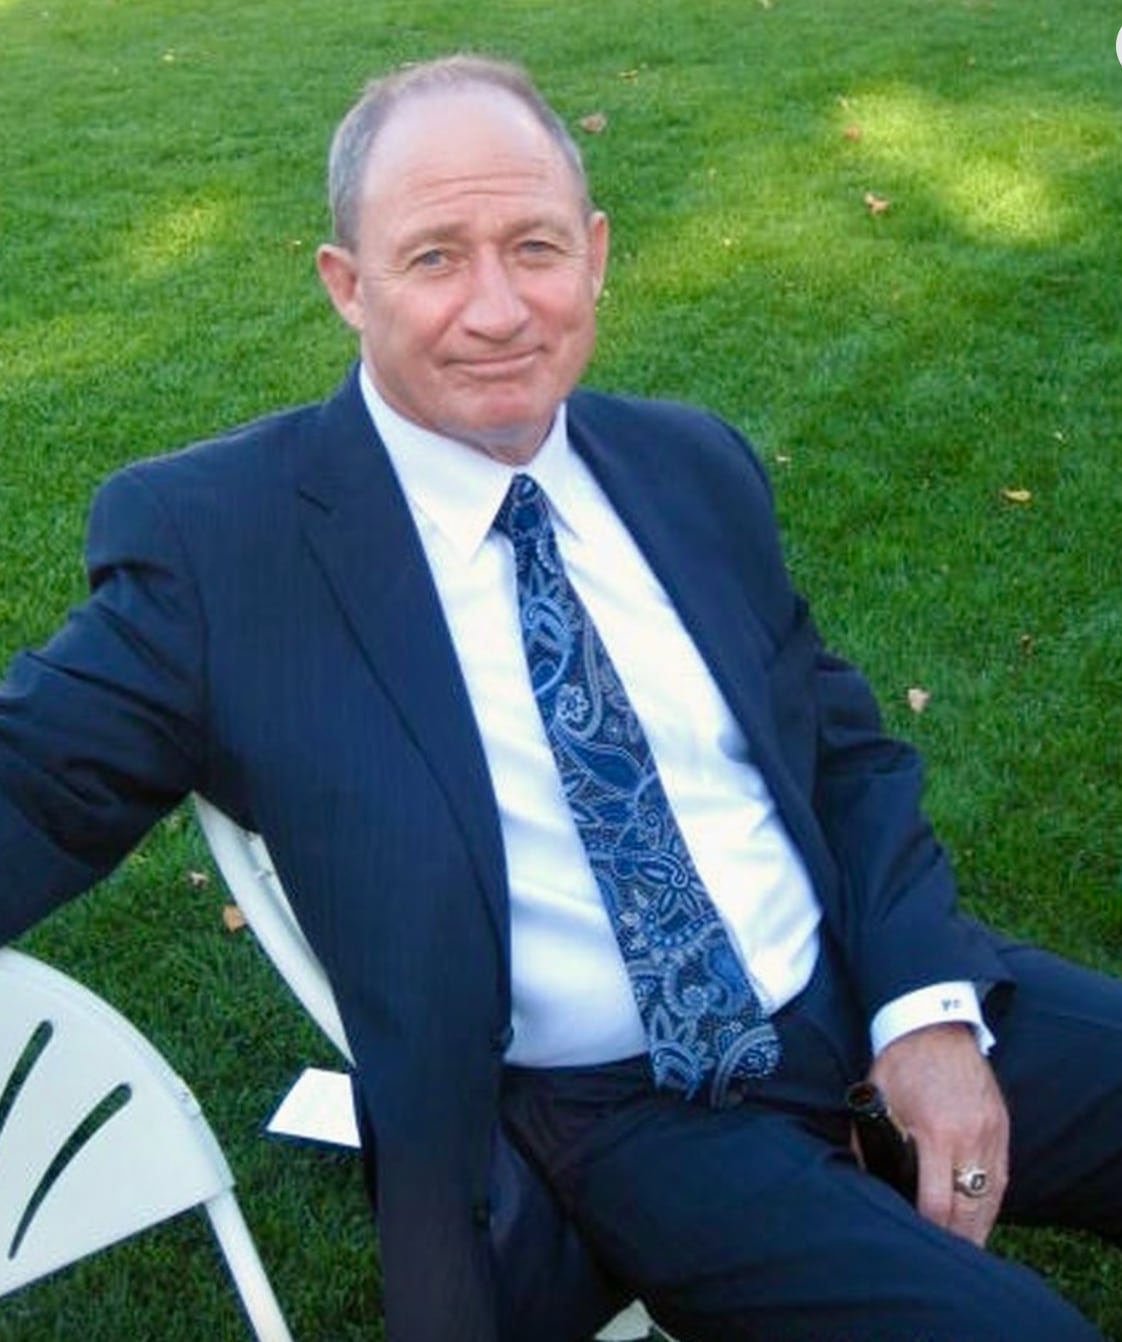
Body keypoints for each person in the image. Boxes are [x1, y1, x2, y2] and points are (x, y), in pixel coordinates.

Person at [2, 52, 1121, 1342]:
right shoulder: (224, 547)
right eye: (432, 259)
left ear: (594, 255)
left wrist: (924, 1008)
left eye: (533, 246)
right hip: (623, 1115)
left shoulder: (685, 462)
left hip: (854, 975)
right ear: (344, 286)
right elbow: (31, 779)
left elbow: (845, 757)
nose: (498, 310)